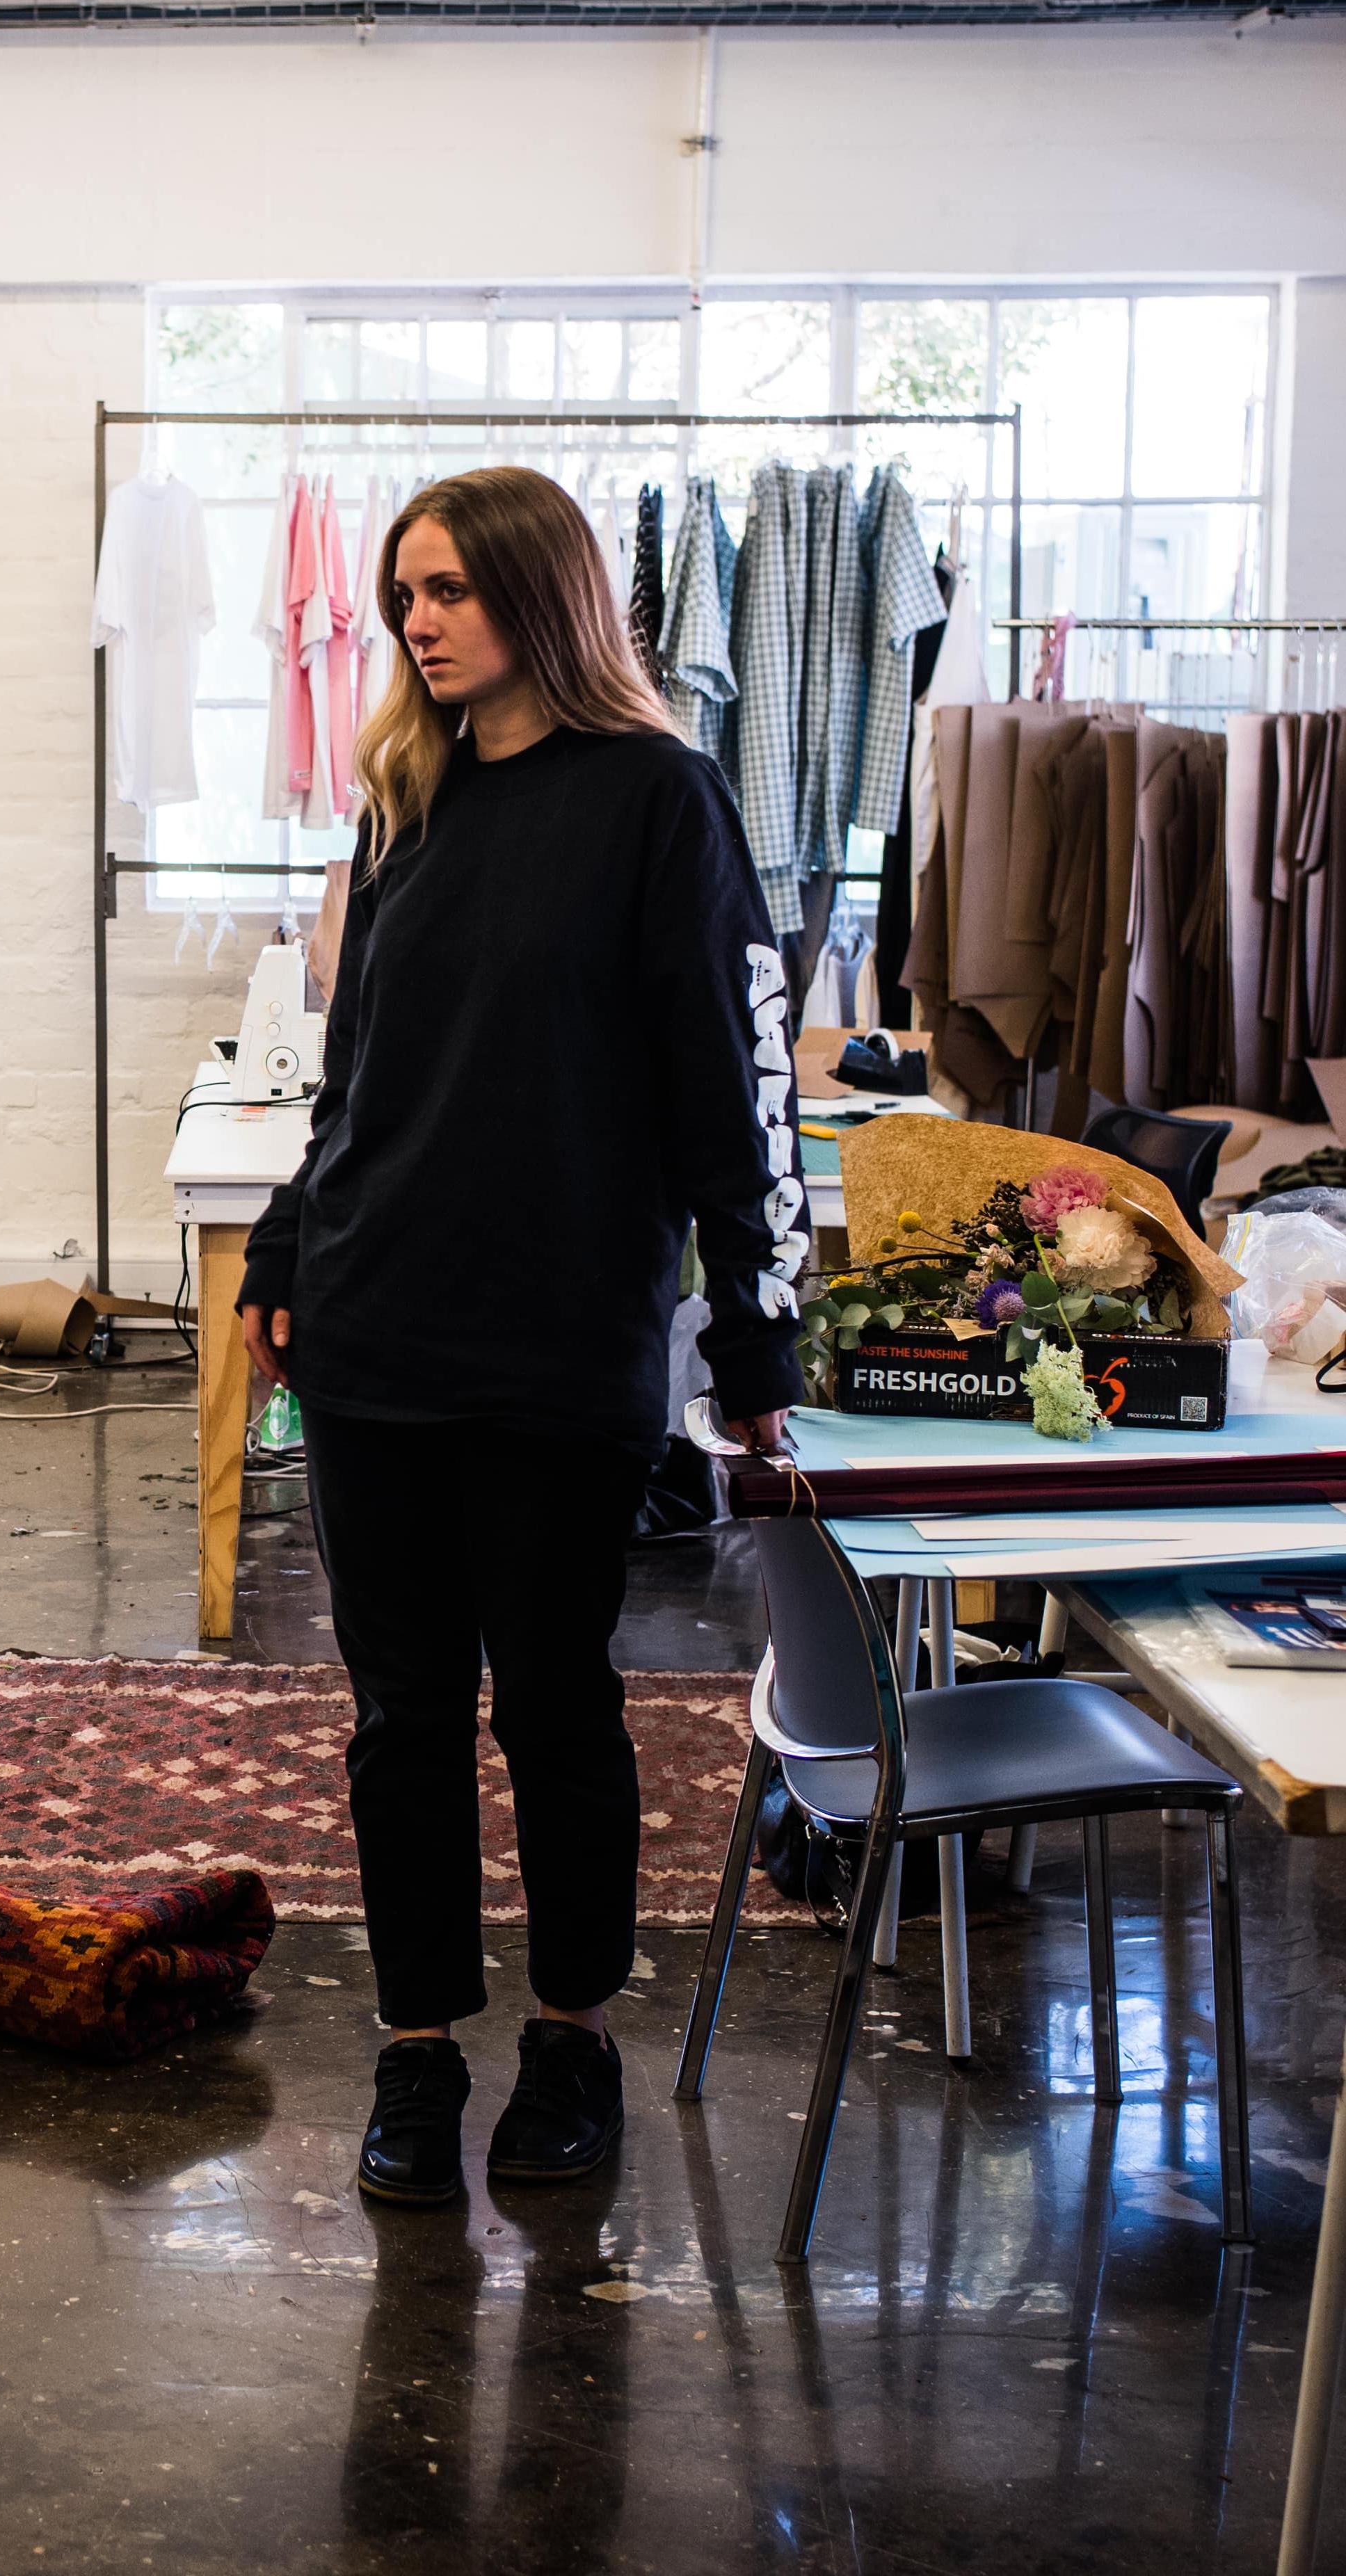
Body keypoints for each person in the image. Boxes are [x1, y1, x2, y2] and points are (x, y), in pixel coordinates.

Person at [239, 466, 808, 2206]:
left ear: (540, 600)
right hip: (376, 1325)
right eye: (405, 592)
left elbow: (733, 1089)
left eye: (450, 592)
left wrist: (757, 1341)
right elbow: (362, 1077)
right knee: (400, 1716)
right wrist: (282, 1236)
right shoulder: (401, 801)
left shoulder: (659, 800)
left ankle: (572, 2040)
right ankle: (417, 2054)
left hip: (564, 1335)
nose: (415, 622)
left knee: (557, 1704)